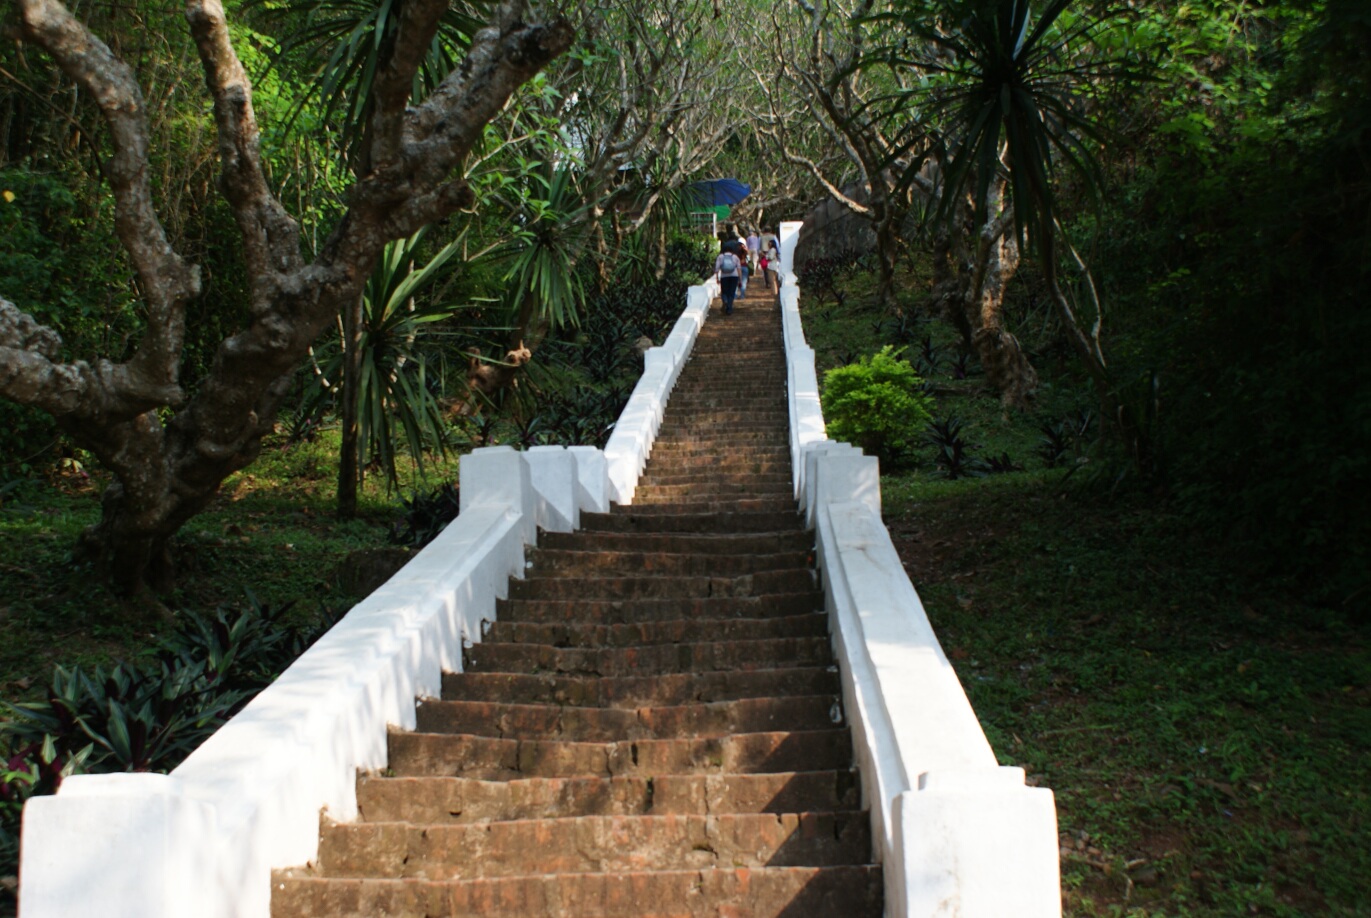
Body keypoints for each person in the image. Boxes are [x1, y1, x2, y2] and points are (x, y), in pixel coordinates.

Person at [715, 246, 743, 315]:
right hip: (734, 276)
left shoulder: (720, 257)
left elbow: (717, 268)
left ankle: (725, 300)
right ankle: (729, 309)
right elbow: (739, 268)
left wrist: (717, 278)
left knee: (724, 291)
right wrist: (740, 279)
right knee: (731, 292)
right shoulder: (735, 257)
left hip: (724, 276)